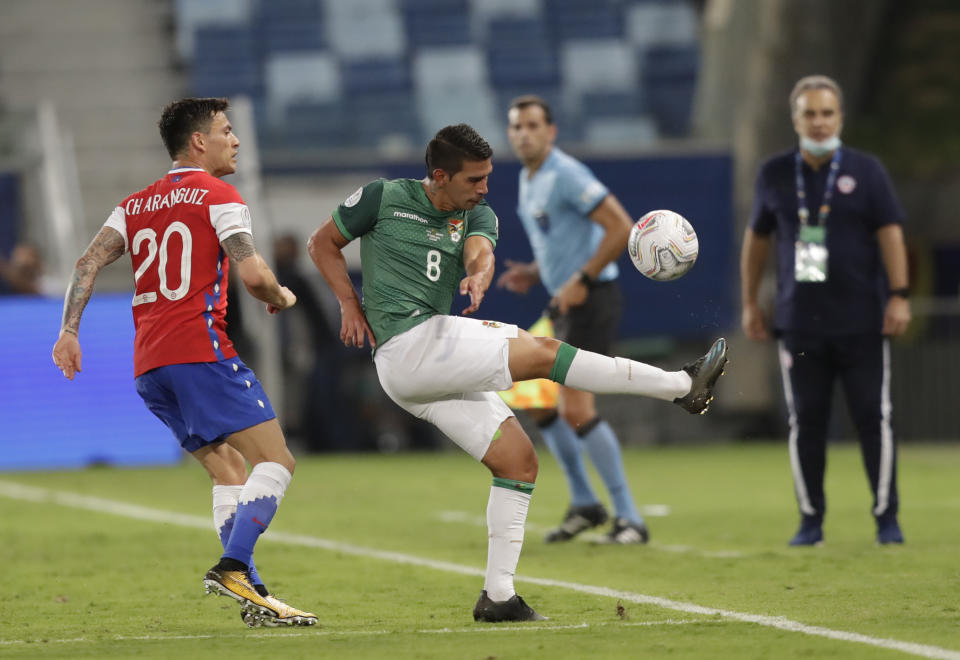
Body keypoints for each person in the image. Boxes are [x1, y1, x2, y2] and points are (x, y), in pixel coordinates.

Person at [306, 123, 728, 622]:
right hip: (408, 344)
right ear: (439, 177)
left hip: (422, 363)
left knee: (518, 462)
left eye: (486, 177)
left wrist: (480, 271)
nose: (484, 188)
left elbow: (478, 249)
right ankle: (682, 386)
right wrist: (349, 307)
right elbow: (322, 243)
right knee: (545, 352)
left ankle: (499, 597)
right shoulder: (382, 198)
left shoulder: (476, 212)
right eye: (474, 179)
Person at [50, 97, 318, 627]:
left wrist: (68, 331)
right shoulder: (220, 196)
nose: (234, 140)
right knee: (277, 460)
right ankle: (235, 566)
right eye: (226, 130)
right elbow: (254, 275)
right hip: (199, 352)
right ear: (200, 142)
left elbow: (87, 262)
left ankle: (254, 597)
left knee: (228, 468)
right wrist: (284, 297)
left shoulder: (134, 205)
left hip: (150, 366)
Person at [740, 75, 911, 546]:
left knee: (873, 419)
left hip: (862, 320)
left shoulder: (867, 170)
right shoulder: (774, 173)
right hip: (799, 324)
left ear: (840, 118)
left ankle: (886, 519)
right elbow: (757, 239)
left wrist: (900, 294)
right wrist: (751, 302)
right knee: (807, 423)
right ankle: (811, 521)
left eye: (827, 113)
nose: (819, 122)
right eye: (810, 113)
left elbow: (891, 233)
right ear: (795, 119)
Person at [497, 94, 650, 545]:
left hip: (593, 299)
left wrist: (583, 277)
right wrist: (535, 271)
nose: (523, 133)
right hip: (565, 301)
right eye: (516, 127)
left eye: (532, 125)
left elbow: (621, 226)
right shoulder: (531, 177)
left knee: (577, 410)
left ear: (551, 130)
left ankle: (630, 518)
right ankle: (585, 504)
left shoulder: (565, 173)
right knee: (541, 403)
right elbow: (560, 241)